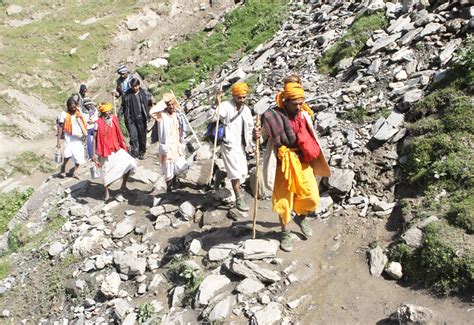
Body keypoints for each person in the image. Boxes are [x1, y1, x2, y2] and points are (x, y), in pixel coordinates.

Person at [255, 81, 331, 252]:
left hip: (303, 162)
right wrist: (257, 136)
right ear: (285, 101)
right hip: (283, 163)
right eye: (295, 104)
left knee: (311, 196)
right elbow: (262, 138)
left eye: (301, 103)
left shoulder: (304, 115)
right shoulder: (272, 117)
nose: (298, 107)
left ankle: (301, 217)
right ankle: (285, 232)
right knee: (283, 200)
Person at [214, 82, 254, 212]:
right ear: (234, 96)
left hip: (241, 145)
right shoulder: (226, 106)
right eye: (239, 97)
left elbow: (250, 127)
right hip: (228, 144)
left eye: (244, 97)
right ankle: (238, 199)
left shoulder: (246, 110)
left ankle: (221, 174)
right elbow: (215, 117)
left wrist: (251, 142)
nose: (241, 100)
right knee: (236, 173)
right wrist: (217, 103)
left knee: (242, 171)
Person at [93, 102, 137, 201]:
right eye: (106, 113)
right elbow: (94, 139)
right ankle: (107, 192)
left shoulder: (114, 119)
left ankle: (123, 185)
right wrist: (94, 153)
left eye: (109, 112)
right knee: (106, 172)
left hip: (116, 148)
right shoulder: (98, 123)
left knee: (130, 163)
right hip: (105, 151)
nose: (108, 114)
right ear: (102, 113)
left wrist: (125, 142)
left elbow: (120, 132)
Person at [153, 93, 187, 192]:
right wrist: (164, 100)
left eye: (173, 104)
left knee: (180, 165)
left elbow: (182, 128)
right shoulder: (161, 116)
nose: (171, 107)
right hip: (167, 146)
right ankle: (169, 188)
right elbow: (152, 112)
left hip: (176, 145)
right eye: (168, 105)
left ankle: (175, 182)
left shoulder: (178, 115)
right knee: (168, 168)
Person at [121, 78, 152, 159]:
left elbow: (150, 102)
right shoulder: (127, 95)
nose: (135, 88)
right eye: (133, 86)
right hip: (131, 119)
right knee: (133, 136)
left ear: (139, 85)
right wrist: (119, 115)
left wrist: (149, 112)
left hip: (141, 118)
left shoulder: (144, 93)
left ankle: (142, 152)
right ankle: (135, 152)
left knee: (142, 137)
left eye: (136, 86)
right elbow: (123, 106)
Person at [57, 97, 87, 179]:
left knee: (79, 156)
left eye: (74, 107)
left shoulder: (79, 112)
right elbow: (60, 127)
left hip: (78, 137)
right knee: (67, 154)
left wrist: (85, 135)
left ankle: (75, 172)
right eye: (71, 107)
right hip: (69, 137)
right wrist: (58, 141)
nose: (73, 109)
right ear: (68, 107)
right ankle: (63, 167)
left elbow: (83, 124)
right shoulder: (64, 114)